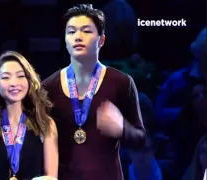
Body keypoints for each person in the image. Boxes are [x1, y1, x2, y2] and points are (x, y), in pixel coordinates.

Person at [42, 4, 146, 180]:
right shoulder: (48, 87)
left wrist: (123, 128)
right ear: (65, 40)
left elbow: (140, 139)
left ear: (101, 40)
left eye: (86, 31)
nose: (78, 37)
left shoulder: (121, 82)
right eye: (71, 31)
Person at [0, 51, 58, 180]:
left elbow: (51, 178)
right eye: (5, 77)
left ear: (29, 81)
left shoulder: (46, 124)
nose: (14, 83)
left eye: (20, 76)